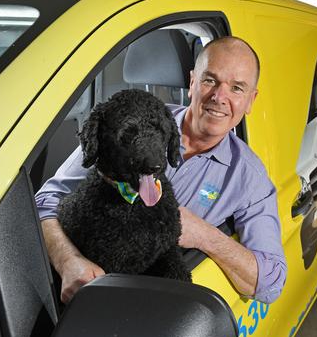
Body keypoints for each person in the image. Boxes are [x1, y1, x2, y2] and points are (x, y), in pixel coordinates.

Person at [35, 36, 286, 304]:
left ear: (251, 100)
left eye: (237, 88)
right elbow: (45, 200)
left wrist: (203, 235)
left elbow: (271, 284)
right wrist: (69, 262)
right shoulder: (131, 121)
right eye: (210, 80)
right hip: (80, 288)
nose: (219, 97)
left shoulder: (249, 177)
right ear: (192, 83)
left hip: (148, 302)